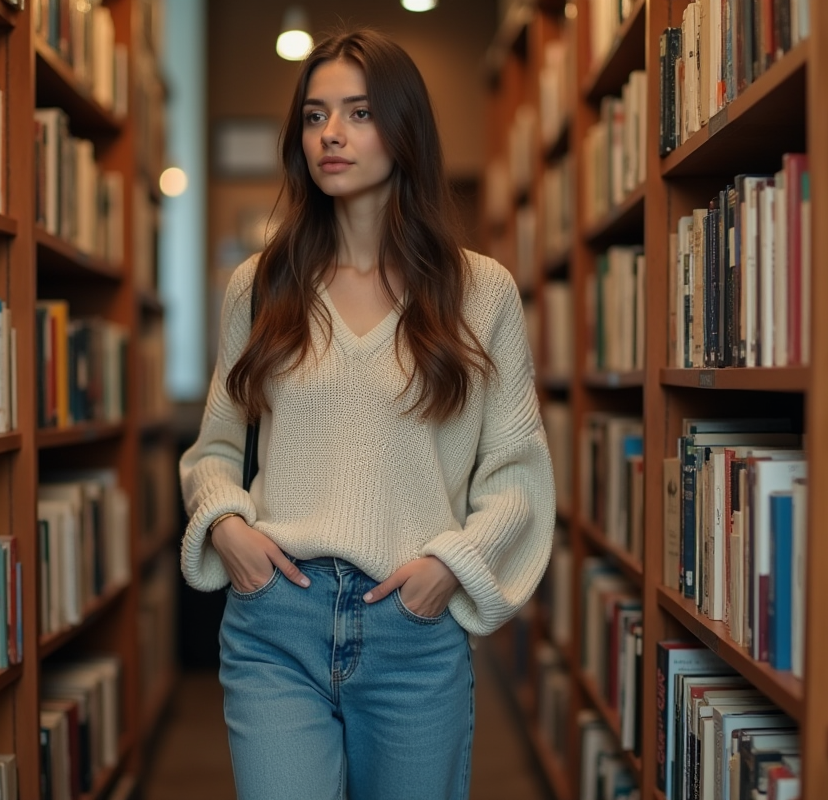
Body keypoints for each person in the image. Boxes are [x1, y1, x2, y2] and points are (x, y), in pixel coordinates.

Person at [179, 27, 554, 800]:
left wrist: (452, 565)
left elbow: (517, 472)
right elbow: (215, 448)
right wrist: (227, 527)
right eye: (315, 117)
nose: (331, 136)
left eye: (357, 113)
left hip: (411, 629)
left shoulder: (480, 292)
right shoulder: (259, 285)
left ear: (404, 128)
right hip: (274, 624)